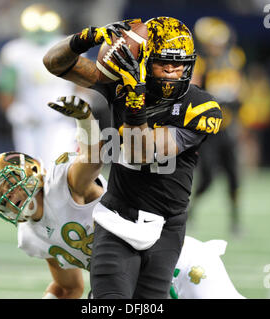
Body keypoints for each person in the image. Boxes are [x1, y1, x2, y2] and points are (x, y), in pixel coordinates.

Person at [0, 96, 243, 299]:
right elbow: (67, 287)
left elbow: (94, 157)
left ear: (32, 172)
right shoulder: (30, 237)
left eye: (11, 185)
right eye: (1, 196)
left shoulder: (63, 184)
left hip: (180, 265)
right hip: (129, 282)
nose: (10, 197)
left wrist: (85, 120)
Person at [43, 17, 223, 298]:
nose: (173, 72)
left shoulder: (200, 107)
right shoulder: (119, 83)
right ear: (143, 59)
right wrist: (86, 38)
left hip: (166, 227)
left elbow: (143, 153)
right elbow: (55, 63)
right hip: (117, 217)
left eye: (180, 65)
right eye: (164, 63)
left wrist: (134, 97)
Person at [0, 3, 79, 164]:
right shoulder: (15, 51)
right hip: (29, 122)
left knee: (61, 170)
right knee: (31, 171)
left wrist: (79, 107)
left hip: (60, 121)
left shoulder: (69, 46)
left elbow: (83, 84)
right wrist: (15, 111)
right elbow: (5, 89)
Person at [189, 17, 244, 235]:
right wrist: (218, 100)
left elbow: (239, 90)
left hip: (228, 127)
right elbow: (195, 92)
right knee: (209, 176)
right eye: (214, 43)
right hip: (209, 128)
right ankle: (191, 210)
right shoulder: (202, 64)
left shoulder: (233, 60)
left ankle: (236, 221)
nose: (217, 47)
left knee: (234, 177)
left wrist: (235, 101)